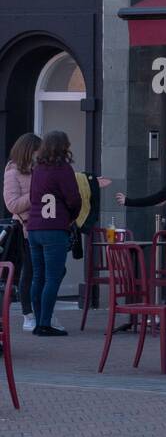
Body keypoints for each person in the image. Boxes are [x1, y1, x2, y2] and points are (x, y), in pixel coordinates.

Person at [26, 131, 82, 337]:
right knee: (53, 277)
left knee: (38, 277)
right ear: (63, 147)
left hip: (34, 228)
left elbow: (33, 197)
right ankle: (45, 323)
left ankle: (38, 321)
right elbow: (74, 200)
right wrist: (70, 217)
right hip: (54, 229)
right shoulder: (63, 169)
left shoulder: (37, 169)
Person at [4, 134, 41, 331]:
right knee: (29, 271)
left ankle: (41, 310)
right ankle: (28, 314)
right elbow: (12, 204)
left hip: (43, 226)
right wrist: (35, 193)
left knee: (52, 270)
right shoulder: (12, 172)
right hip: (25, 229)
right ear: (29, 151)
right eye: (37, 151)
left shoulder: (40, 169)